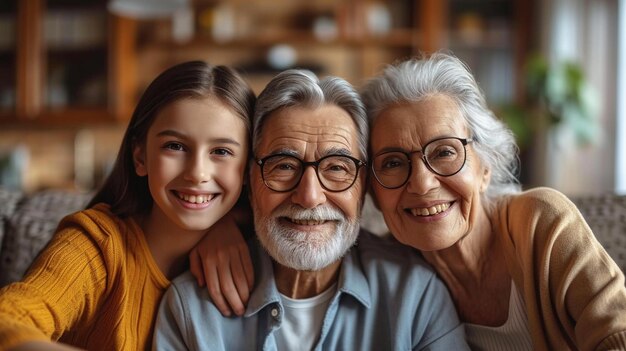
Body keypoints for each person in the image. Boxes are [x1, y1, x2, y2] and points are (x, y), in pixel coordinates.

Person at [153, 69, 469, 350]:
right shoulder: (192, 308)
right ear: (250, 178)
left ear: (364, 184)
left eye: (336, 167)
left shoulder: (415, 297)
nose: (309, 196)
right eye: (284, 166)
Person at [360, 52, 626, 350]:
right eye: (393, 163)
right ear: (372, 191)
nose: (422, 184)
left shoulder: (542, 223)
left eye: (444, 152)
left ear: (485, 167)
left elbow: (616, 333)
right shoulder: (385, 272)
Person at [0, 61, 255, 350]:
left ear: (247, 169)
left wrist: (229, 223)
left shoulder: (257, 249)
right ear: (140, 157)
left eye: (221, 151)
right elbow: (8, 320)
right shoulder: (97, 245)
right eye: (175, 146)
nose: (197, 173)